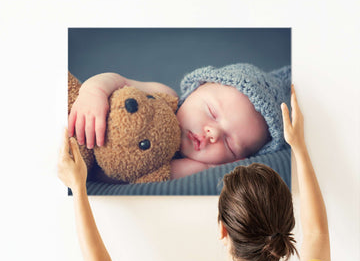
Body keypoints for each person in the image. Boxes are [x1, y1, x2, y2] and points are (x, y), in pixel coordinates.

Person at [58, 85, 332, 261]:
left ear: (223, 229)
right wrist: (299, 148)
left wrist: (78, 188)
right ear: (284, 229)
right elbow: (317, 233)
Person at [68, 63, 290, 179]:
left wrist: (206, 166)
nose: (212, 133)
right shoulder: (163, 96)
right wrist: (93, 92)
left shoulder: (196, 168)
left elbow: (158, 175)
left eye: (230, 144)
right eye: (212, 112)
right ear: (196, 88)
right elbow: (118, 80)